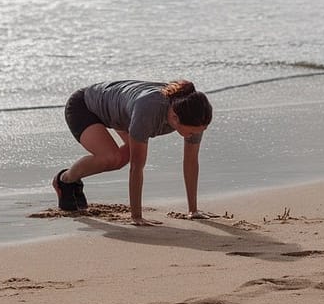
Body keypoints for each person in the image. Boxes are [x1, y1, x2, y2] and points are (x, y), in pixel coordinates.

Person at [53, 79, 213, 226]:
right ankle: (64, 180)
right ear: (175, 118)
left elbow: (191, 161)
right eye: (192, 132)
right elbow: (137, 168)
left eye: (200, 131)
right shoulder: (148, 112)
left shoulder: (196, 114)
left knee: (123, 158)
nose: (195, 135)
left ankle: (72, 180)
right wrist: (137, 217)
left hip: (121, 114)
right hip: (84, 107)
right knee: (111, 157)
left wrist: (193, 211)